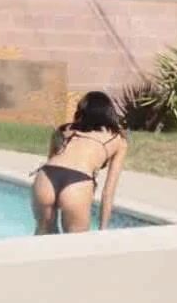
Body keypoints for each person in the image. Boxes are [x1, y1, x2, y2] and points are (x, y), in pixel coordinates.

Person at [31, 91, 128, 235]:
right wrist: (103, 229)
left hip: (46, 175)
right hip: (77, 181)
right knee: (78, 242)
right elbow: (108, 192)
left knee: (43, 235)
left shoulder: (64, 129)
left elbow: (51, 158)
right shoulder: (118, 139)